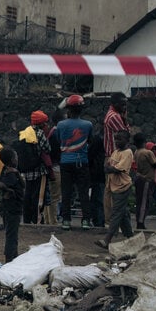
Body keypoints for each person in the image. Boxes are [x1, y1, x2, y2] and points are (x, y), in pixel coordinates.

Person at [56, 94, 93, 230]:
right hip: (82, 162)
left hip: (65, 162)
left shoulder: (61, 125)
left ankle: (66, 221)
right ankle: (85, 221)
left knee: (66, 192)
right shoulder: (88, 125)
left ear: (68, 110)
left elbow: (59, 140)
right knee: (83, 192)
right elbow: (90, 141)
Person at [96, 131, 135, 249]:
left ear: (127, 141)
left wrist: (110, 168)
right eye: (116, 139)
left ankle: (107, 240)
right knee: (121, 213)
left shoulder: (127, 153)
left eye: (120, 139)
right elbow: (107, 167)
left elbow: (116, 169)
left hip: (122, 186)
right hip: (113, 185)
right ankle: (130, 237)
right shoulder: (115, 152)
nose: (117, 142)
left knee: (116, 213)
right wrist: (110, 168)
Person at [15, 111, 54, 224]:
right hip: (38, 170)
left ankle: (27, 219)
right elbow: (47, 149)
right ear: (41, 123)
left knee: (27, 195)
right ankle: (36, 218)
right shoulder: (39, 133)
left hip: (26, 170)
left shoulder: (24, 132)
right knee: (37, 196)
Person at [102, 92, 130, 223]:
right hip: (114, 156)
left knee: (112, 190)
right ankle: (112, 221)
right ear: (115, 104)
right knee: (114, 191)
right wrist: (125, 120)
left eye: (126, 104)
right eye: (122, 104)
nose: (125, 107)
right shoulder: (114, 117)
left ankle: (113, 220)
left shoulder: (116, 115)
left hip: (114, 156)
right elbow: (126, 134)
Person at [0, 148, 25, 262]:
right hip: (11, 210)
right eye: (16, 157)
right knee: (11, 236)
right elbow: (0, 184)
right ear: (12, 160)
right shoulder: (10, 174)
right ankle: (9, 260)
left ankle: (14, 258)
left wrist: (17, 173)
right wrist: (8, 190)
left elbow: (23, 186)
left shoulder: (12, 172)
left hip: (12, 209)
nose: (17, 160)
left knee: (13, 235)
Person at [132, 133, 156, 231]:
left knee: (139, 201)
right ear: (144, 142)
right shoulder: (148, 153)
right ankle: (140, 222)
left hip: (139, 177)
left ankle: (140, 221)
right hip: (146, 179)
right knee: (144, 202)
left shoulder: (136, 152)